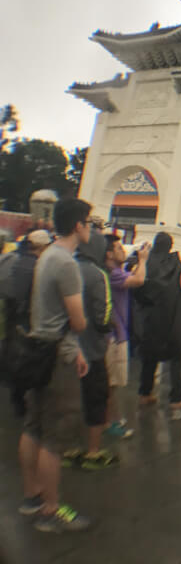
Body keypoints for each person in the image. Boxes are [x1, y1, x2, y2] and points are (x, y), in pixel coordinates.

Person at [19, 197, 93, 532]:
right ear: (78, 225)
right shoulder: (66, 263)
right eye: (89, 222)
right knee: (55, 436)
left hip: (38, 350)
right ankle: (51, 510)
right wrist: (76, 341)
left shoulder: (47, 254)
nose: (90, 228)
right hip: (56, 360)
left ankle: (32, 495)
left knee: (33, 427)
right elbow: (77, 322)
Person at [66, 225, 118, 470]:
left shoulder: (67, 266)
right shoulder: (98, 275)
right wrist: (109, 329)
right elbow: (103, 315)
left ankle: (70, 448)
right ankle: (93, 452)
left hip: (66, 349)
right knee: (95, 399)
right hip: (92, 350)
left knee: (71, 400)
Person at [135, 232, 181, 410]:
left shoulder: (147, 261)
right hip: (172, 316)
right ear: (170, 245)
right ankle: (176, 398)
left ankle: (145, 393)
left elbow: (138, 283)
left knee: (149, 357)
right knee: (176, 357)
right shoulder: (175, 261)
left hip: (151, 316)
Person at [0, 229, 50, 420]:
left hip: (11, 318)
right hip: (29, 320)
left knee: (14, 357)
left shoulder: (13, 260)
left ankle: (17, 399)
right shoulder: (38, 267)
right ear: (43, 247)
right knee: (28, 363)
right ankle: (26, 404)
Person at [103, 234, 145, 440]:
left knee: (111, 383)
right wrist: (144, 259)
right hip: (114, 335)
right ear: (109, 253)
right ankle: (111, 422)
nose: (123, 250)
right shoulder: (112, 273)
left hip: (116, 333)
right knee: (111, 384)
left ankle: (110, 419)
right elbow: (139, 280)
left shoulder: (116, 272)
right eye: (119, 247)